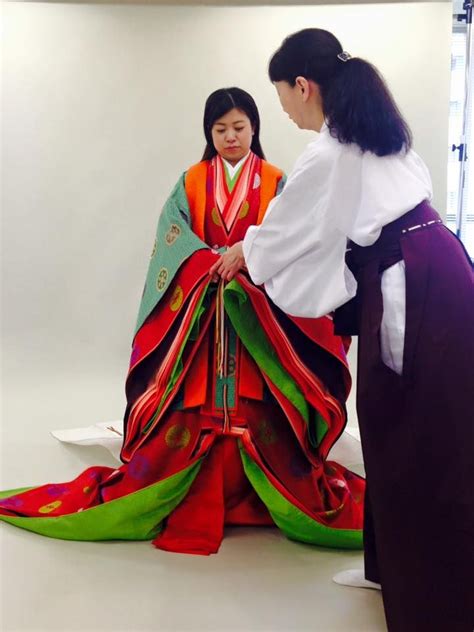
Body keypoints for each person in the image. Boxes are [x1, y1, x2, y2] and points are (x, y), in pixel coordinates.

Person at [0, 87, 364, 556]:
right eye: (220, 129)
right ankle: (186, 475)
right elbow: (171, 243)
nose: (231, 137)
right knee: (188, 408)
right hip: (201, 324)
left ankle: (263, 487)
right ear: (208, 133)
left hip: (256, 324)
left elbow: (296, 241)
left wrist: (249, 265)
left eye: (239, 127)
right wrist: (210, 265)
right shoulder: (190, 182)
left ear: (255, 128)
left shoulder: (277, 183)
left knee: (263, 409)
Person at [211, 30, 474, 631]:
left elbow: (287, 231)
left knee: (420, 434)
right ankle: (387, 568)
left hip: (413, 285)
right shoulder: (376, 133)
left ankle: (436, 596)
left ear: (304, 87)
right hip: (432, 269)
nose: (286, 112)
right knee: (390, 423)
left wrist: (244, 254)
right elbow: (326, 229)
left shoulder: (330, 152)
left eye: (283, 100)